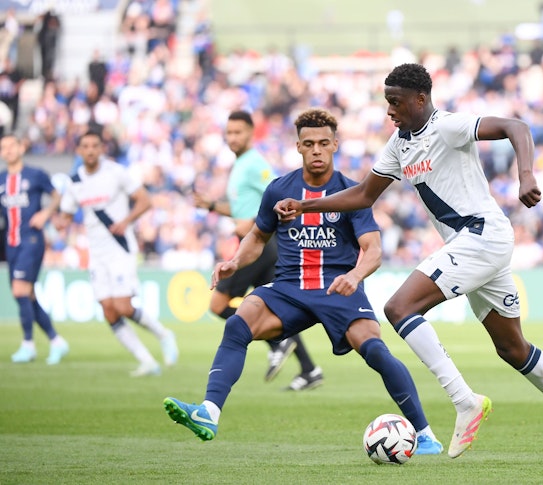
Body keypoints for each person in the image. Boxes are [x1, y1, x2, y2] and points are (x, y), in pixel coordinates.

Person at [274, 63, 543, 460]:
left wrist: (526, 175)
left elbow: (516, 127)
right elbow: (364, 195)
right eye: (387, 102)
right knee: (512, 348)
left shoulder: (447, 126)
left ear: (420, 99)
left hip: (481, 235)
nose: (390, 110)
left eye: (396, 102)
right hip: (475, 244)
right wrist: (306, 206)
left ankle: (465, 401)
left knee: (399, 308)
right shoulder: (399, 144)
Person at [163, 108, 444, 455]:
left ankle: (425, 434)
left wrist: (355, 275)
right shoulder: (278, 190)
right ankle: (209, 412)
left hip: (338, 287)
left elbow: (373, 250)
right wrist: (235, 261)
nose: (316, 150)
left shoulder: (352, 193)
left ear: (335, 145)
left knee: (374, 350)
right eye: (309, 144)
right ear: (298, 146)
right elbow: (257, 236)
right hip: (289, 287)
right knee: (237, 324)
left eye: (323, 143)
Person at [192, 110, 322, 389]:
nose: (232, 138)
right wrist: (212, 206)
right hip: (259, 248)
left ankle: (276, 340)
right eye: (229, 133)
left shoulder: (254, 163)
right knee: (275, 308)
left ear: (251, 133)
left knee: (218, 305)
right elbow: (241, 209)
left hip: (258, 248)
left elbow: (281, 193)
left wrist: (257, 222)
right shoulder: (239, 165)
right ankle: (309, 370)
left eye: (238, 132)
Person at [57, 130, 178, 376]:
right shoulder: (75, 182)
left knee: (123, 306)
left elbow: (145, 200)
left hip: (120, 247)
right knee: (108, 309)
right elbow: (66, 214)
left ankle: (164, 334)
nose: (90, 150)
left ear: (102, 148)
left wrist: (126, 221)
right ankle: (147, 361)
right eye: (85, 146)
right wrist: (62, 222)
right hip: (96, 253)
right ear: (79, 151)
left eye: (95, 145)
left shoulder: (116, 172)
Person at [1, 134, 69, 364]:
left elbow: (57, 195)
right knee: (26, 295)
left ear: (21, 147)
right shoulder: (1, 180)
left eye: (11, 145)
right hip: (10, 243)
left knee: (20, 291)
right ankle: (56, 341)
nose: (7, 150)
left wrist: (46, 214)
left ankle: (28, 344)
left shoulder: (35, 174)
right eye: (3, 147)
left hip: (31, 240)